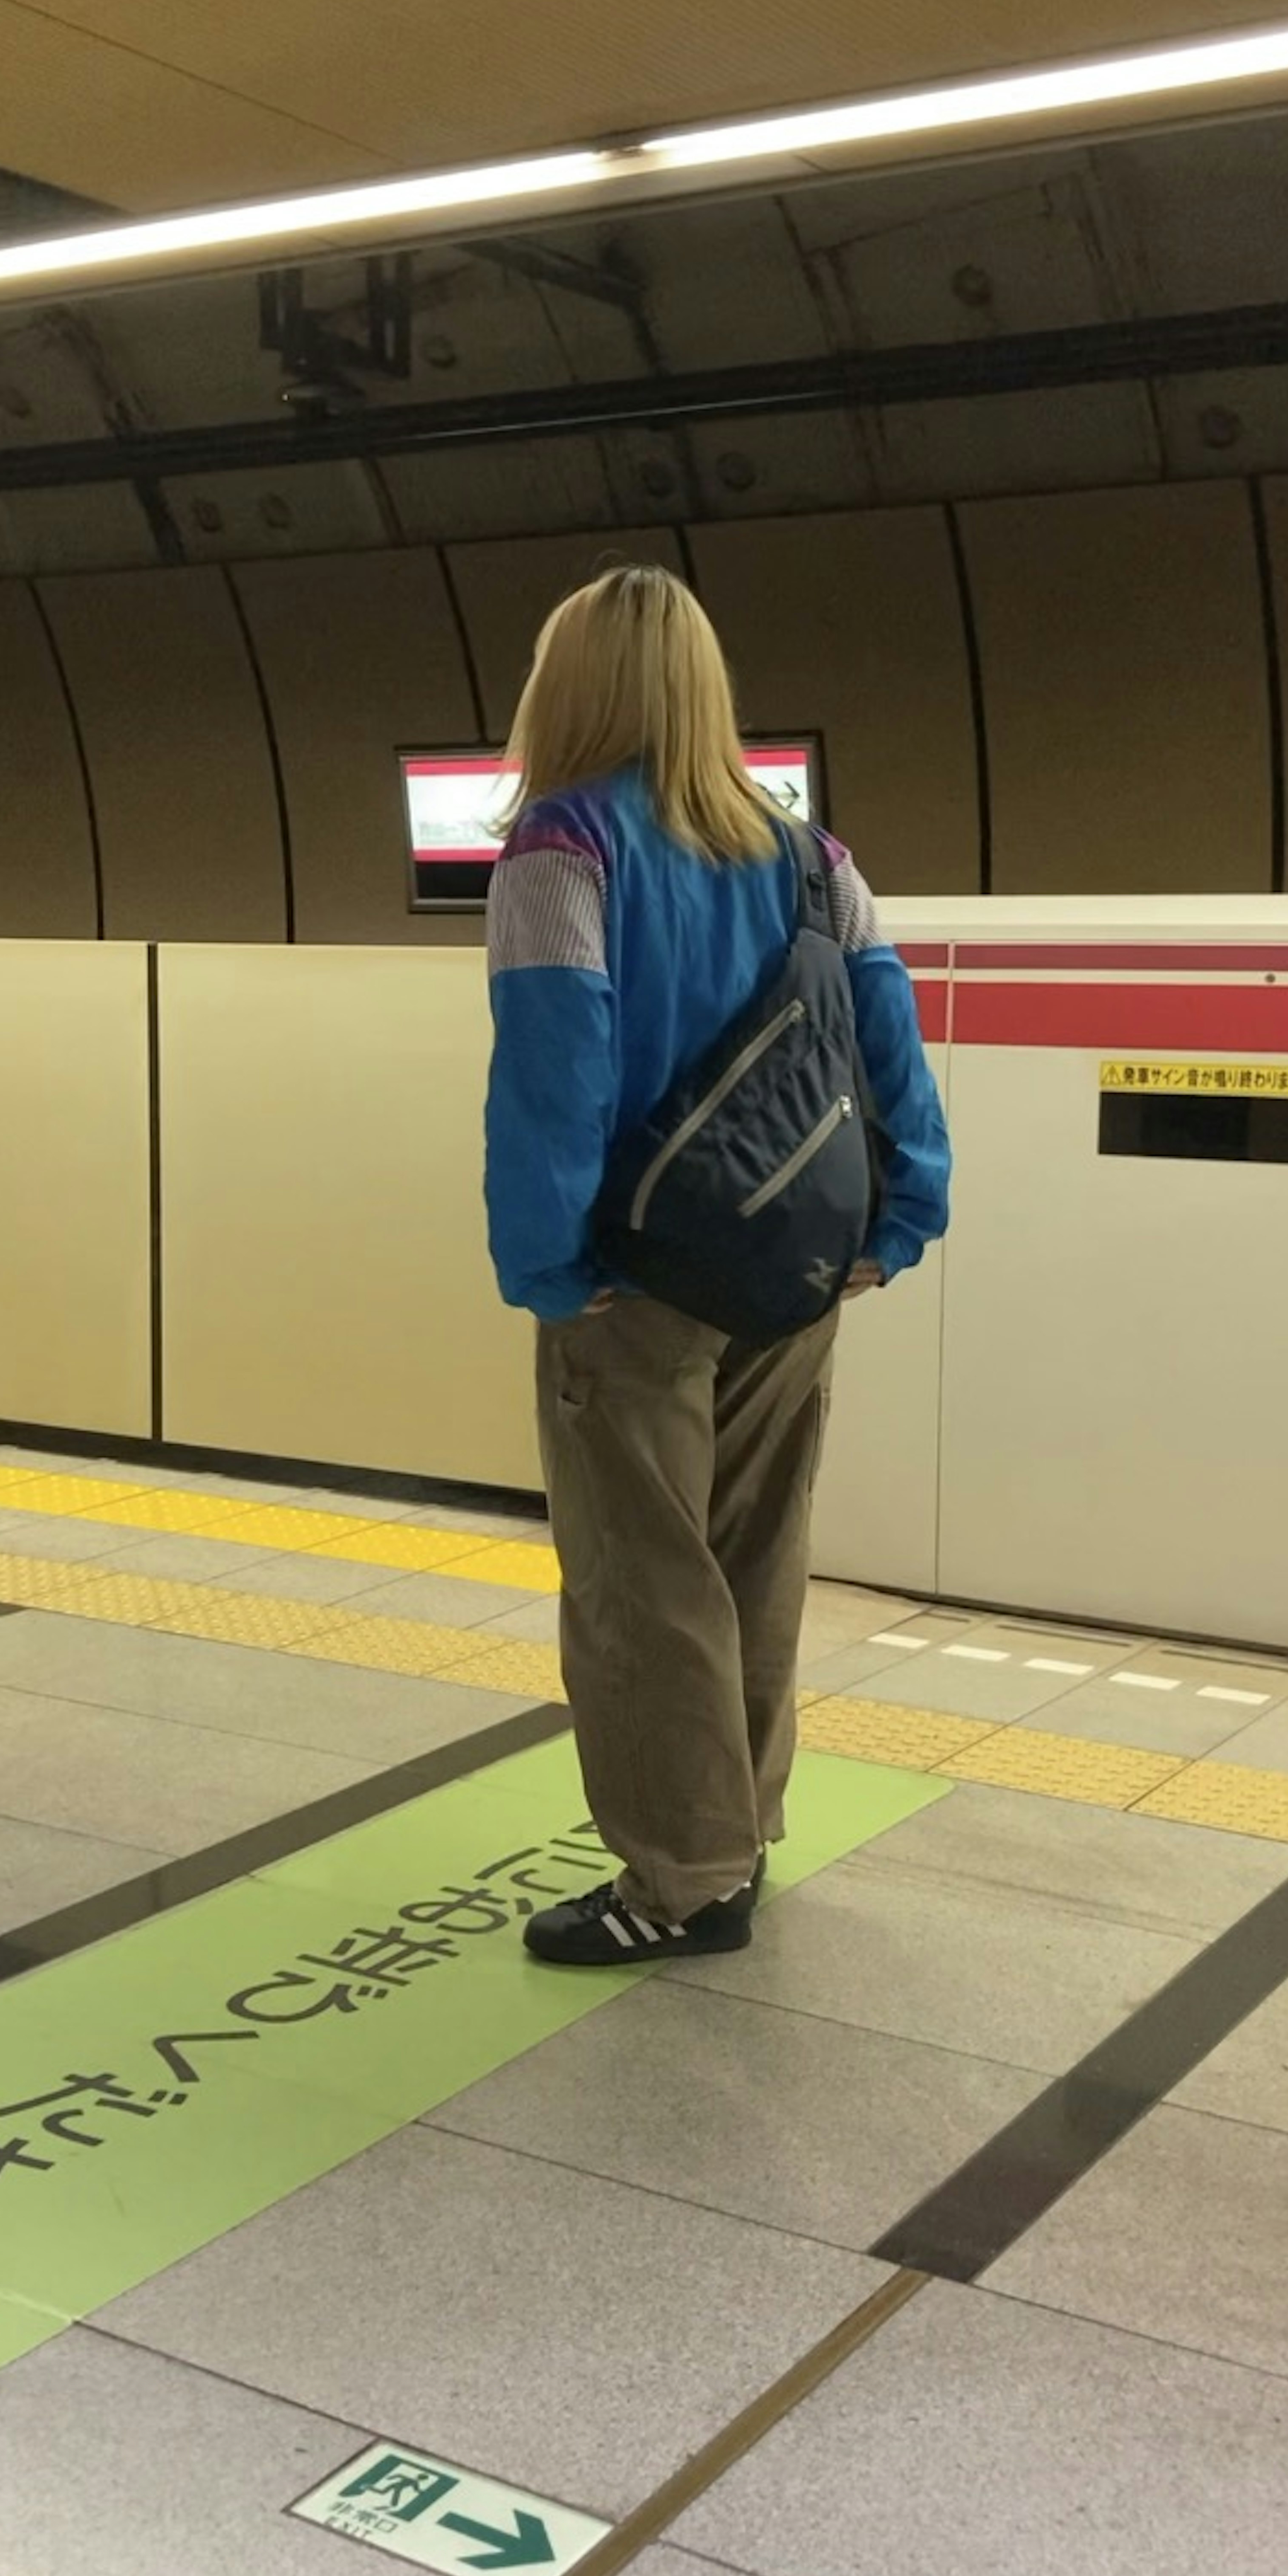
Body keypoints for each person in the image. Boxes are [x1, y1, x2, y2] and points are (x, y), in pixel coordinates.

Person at [484, 564, 950, 1967]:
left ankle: (677, 1880)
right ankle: (738, 1834)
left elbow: (556, 1079)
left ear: (569, 686)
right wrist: (901, 1220)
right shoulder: (816, 859)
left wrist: (547, 1265)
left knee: (639, 1583)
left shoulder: (563, 850)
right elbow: (889, 1051)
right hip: (800, 1271)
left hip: (640, 1282)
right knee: (754, 1558)